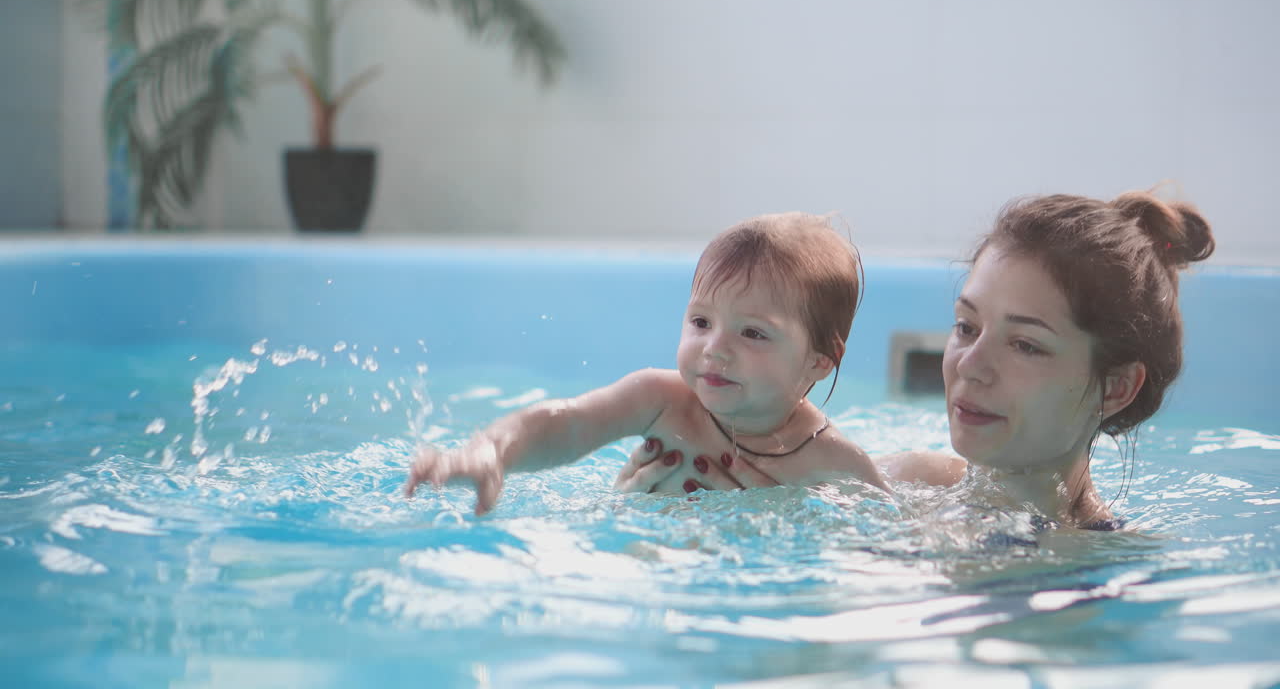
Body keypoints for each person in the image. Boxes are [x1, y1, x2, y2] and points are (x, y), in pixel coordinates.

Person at [620, 189, 1215, 530]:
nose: (967, 366)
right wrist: (659, 514)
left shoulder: (1103, 578)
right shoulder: (896, 483)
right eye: (966, 326)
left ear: (1115, 388)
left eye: (1026, 344)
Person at [403, 212, 891, 514]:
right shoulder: (663, 401)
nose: (714, 349)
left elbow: (882, 549)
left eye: (752, 333)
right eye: (701, 322)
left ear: (820, 362)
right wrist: (494, 450)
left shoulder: (837, 465)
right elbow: (568, 424)